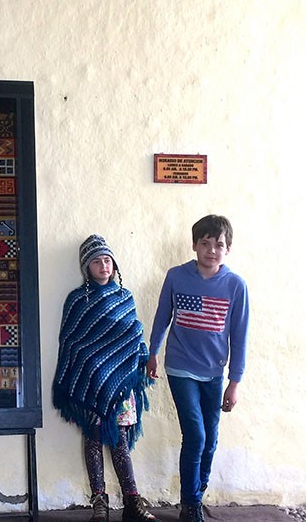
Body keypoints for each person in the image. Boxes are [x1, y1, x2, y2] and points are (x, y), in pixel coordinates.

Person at [148, 215, 249, 522]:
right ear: (194, 245)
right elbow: (162, 317)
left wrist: (235, 381)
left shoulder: (235, 286)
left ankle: (198, 487)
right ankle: (190, 504)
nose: (211, 250)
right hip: (180, 367)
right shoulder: (176, 276)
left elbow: (239, 336)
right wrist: (152, 353)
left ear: (227, 249)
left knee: (211, 437)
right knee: (195, 435)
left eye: (218, 244)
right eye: (204, 243)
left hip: (214, 373)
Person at [53, 235, 156, 522]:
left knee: (120, 441)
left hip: (120, 387)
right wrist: (92, 368)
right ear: (87, 267)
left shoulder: (125, 297)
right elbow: (72, 343)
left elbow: (135, 335)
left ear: (114, 263)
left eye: (107, 260)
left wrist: (145, 359)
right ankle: (99, 502)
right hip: (91, 384)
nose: (103, 266)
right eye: (96, 261)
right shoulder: (77, 300)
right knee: (93, 439)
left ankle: (132, 501)